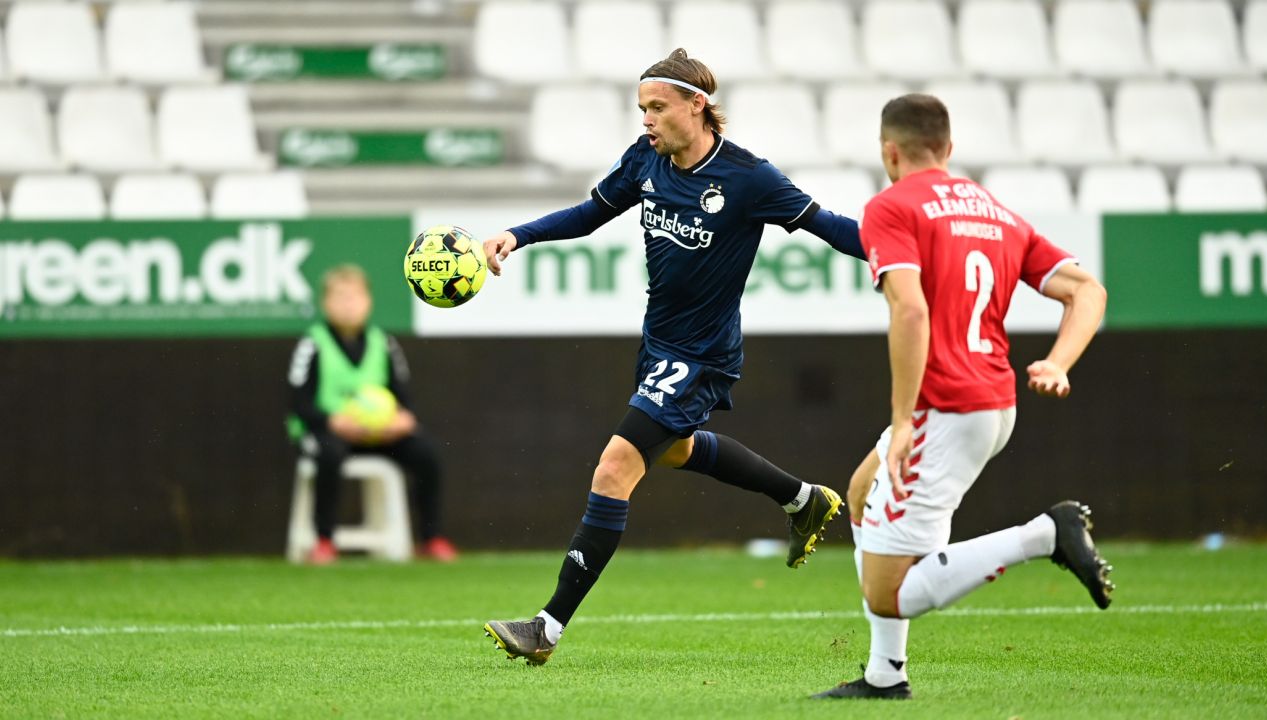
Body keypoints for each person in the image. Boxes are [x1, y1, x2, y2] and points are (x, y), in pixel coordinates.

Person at [480, 49, 867, 665]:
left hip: (704, 352)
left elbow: (831, 226)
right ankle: (802, 498)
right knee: (680, 449)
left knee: (614, 469)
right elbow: (590, 214)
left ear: (699, 106)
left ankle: (545, 629)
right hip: (660, 341)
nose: (647, 120)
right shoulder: (646, 160)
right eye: (642, 109)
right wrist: (519, 234)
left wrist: (901, 254)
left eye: (657, 108)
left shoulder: (749, 178)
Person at [812, 94, 1114, 701]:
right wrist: (1057, 361)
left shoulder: (891, 207)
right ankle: (883, 676)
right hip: (991, 400)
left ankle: (1045, 535)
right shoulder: (994, 211)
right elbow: (1087, 289)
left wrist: (902, 421)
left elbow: (911, 309)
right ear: (948, 149)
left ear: (888, 152)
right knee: (863, 490)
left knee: (889, 591)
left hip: (943, 408)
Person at [286, 264, 457, 564]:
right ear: (325, 303)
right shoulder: (312, 343)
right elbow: (298, 401)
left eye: (354, 297)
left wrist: (403, 420)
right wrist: (331, 422)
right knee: (329, 454)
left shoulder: (384, 342)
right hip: (329, 431)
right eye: (340, 298)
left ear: (368, 302)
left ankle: (432, 539)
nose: (348, 305)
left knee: (426, 452)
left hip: (379, 434)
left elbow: (404, 395)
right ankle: (324, 541)